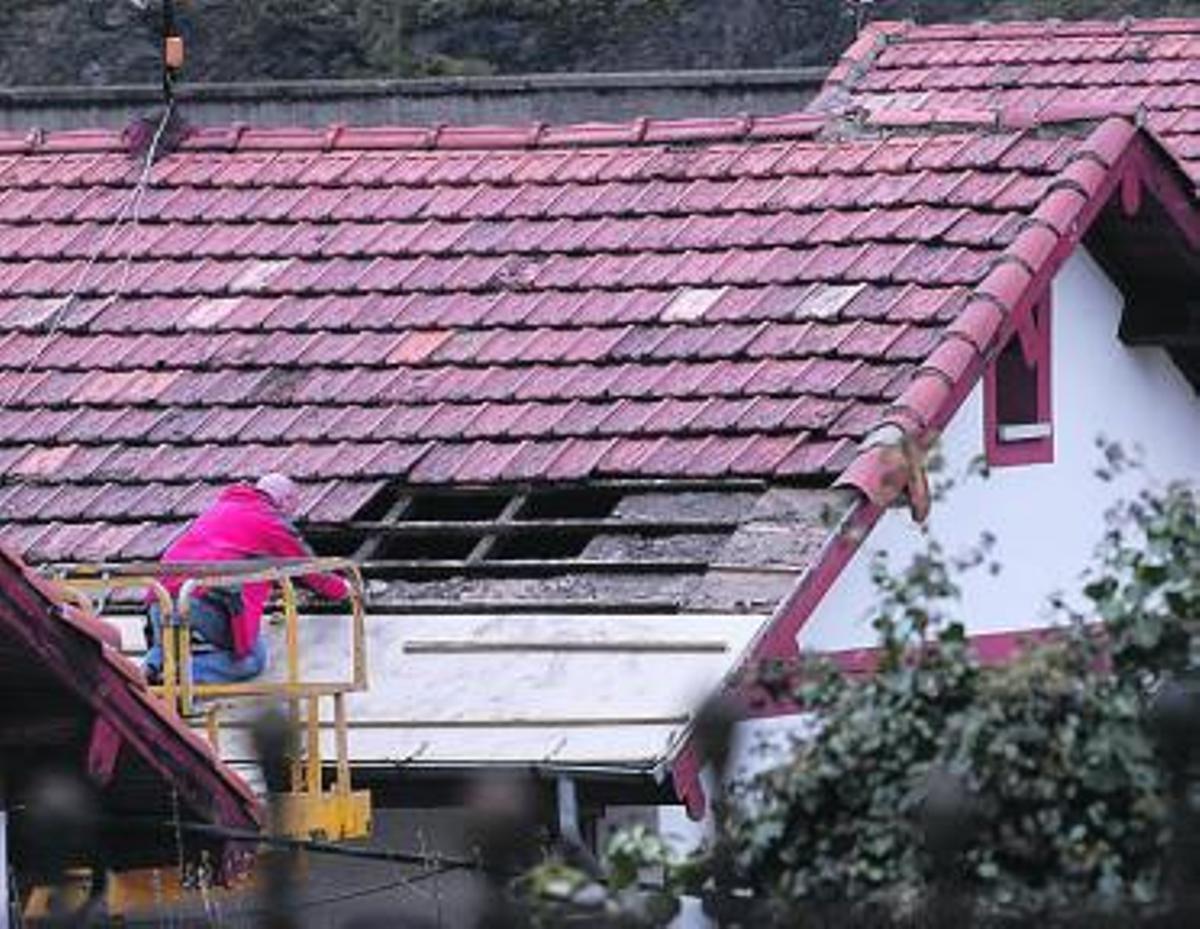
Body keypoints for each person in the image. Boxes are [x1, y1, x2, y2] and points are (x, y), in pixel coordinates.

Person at [143, 473, 349, 685]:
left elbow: (233, 551)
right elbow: (308, 569)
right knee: (251, 659)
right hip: (200, 598)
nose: (291, 517)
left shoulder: (221, 509)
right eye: (293, 508)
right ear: (285, 500)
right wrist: (345, 589)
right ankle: (180, 677)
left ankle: (145, 676)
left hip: (159, 596)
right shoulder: (269, 521)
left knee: (166, 648)